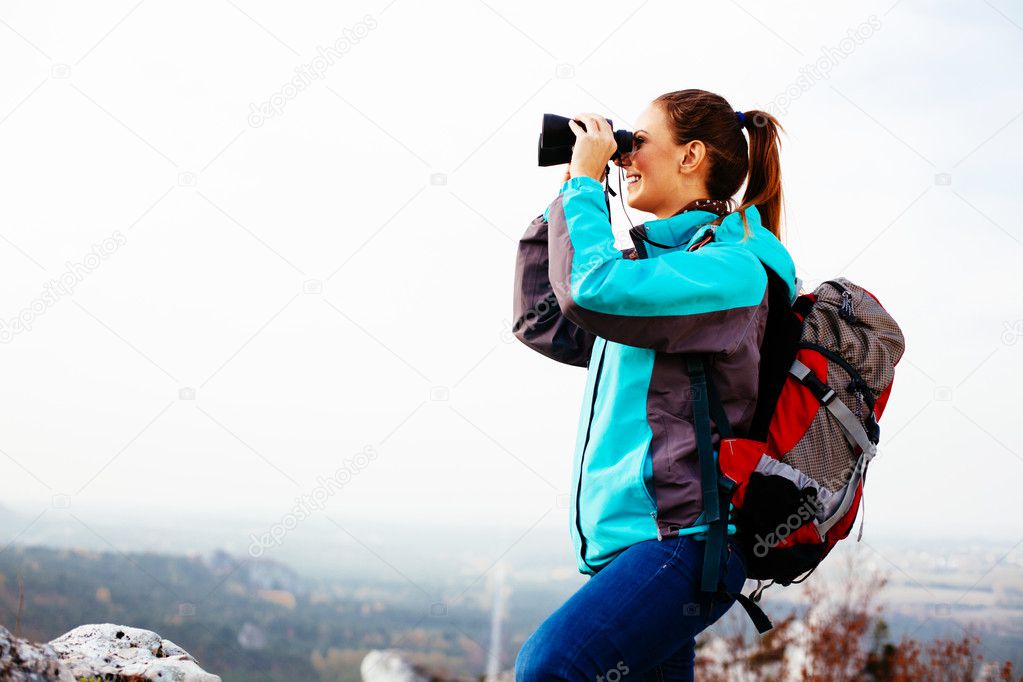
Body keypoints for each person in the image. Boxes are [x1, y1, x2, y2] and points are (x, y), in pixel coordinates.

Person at [511, 89, 799, 681]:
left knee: (550, 667)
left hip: (684, 541)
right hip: (637, 545)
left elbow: (590, 288)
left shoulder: (732, 269)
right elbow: (544, 318)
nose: (623, 156)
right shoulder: (654, 277)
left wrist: (587, 191)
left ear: (691, 156)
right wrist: (568, 192)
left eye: (637, 141)